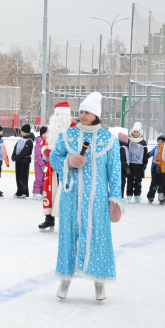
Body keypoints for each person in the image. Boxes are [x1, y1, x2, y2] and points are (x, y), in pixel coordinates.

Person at [50, 92, 123, 302]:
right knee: (68, 238)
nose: (82, 115)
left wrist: (115, 199)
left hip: (97, 201)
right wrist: (69, 161)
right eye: (81, 111)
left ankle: (99, 283)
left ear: (96, 115)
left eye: (87, 112)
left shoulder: (109, 139)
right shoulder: (68, 135)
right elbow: (54, 157)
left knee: (99, 238)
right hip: (71, 198)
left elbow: (115, 172)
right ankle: (65, 281)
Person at [39, 102, 76, 232]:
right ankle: (49, 219)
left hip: (68, 166)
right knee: (50, 192)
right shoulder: (51, 129)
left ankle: (67, 222)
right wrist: (49, 154)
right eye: (58, 115)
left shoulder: (74, 128)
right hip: (52, 167)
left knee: (66, 193)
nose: (60, 118)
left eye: (62, 115)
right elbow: (44, 144)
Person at [126, 122, 149, 203]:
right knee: (130, 181)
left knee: (138, 181)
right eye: (134, 132)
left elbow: (145, 154)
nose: (136, 133)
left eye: (137, 132)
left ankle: (137, 195)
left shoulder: (143, 142)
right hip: (131, 165)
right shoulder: (129, 141)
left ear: (140, 133)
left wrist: (145, 163)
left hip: (140, 165)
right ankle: (129, 195)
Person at [12, 124, 35, 198]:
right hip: (18, 160)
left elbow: (25, 151)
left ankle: (24, 191)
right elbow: (16, 147)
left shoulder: (29, 140)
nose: (21, 132)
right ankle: (19, 191)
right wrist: (13, 156)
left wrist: (17, 157)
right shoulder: (21, 139)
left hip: (24, 161)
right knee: (18, 177)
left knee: (23, 177)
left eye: (22, 131)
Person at [146, 135, 165, 204]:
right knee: (154, 183)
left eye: (161, 142)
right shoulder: (155, 149)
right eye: (159, 142)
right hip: (154, 169)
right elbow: (148, 155)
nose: (159, 143)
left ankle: (162, 197)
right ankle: (150, 196)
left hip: (163, 170)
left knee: (162, 184)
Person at [32, 126, 48, 200]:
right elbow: (38, 155)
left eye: (47, 134)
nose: (45, 136)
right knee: (39, 179)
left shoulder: (47, 143)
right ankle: (36, 193)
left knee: (44, 179)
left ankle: (41, 192)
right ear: (41, 134)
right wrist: (42, 164)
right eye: (44, 134)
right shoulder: (39, 143)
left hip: (45, 164)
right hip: (39, 164)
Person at [118, 132, 131, 199]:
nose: (128, 140)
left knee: (122, 182)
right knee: (122, 182)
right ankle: (120, 196)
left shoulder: (125, 147)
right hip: (122, 169)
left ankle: (121, 195)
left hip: (123, 168)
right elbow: (122, 159)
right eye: (127, 139)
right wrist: (126, 167)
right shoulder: (122, 148)